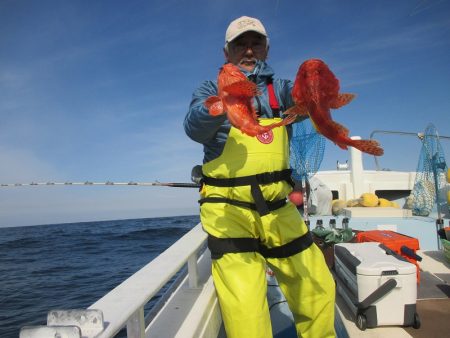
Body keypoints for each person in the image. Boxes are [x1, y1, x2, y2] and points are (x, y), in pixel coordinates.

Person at [184, 16, 335, 338]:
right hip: (228, 209)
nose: (248, 50)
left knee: (316, 284)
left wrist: (314, 92)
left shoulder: (279, 90)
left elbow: (305, 104)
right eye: (240, 44)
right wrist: (219, 106)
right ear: (227, 52)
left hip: (278, 206)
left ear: (266, 48)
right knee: (245, 304)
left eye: (255, 43)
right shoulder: (210, 88)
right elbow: (194, 129)